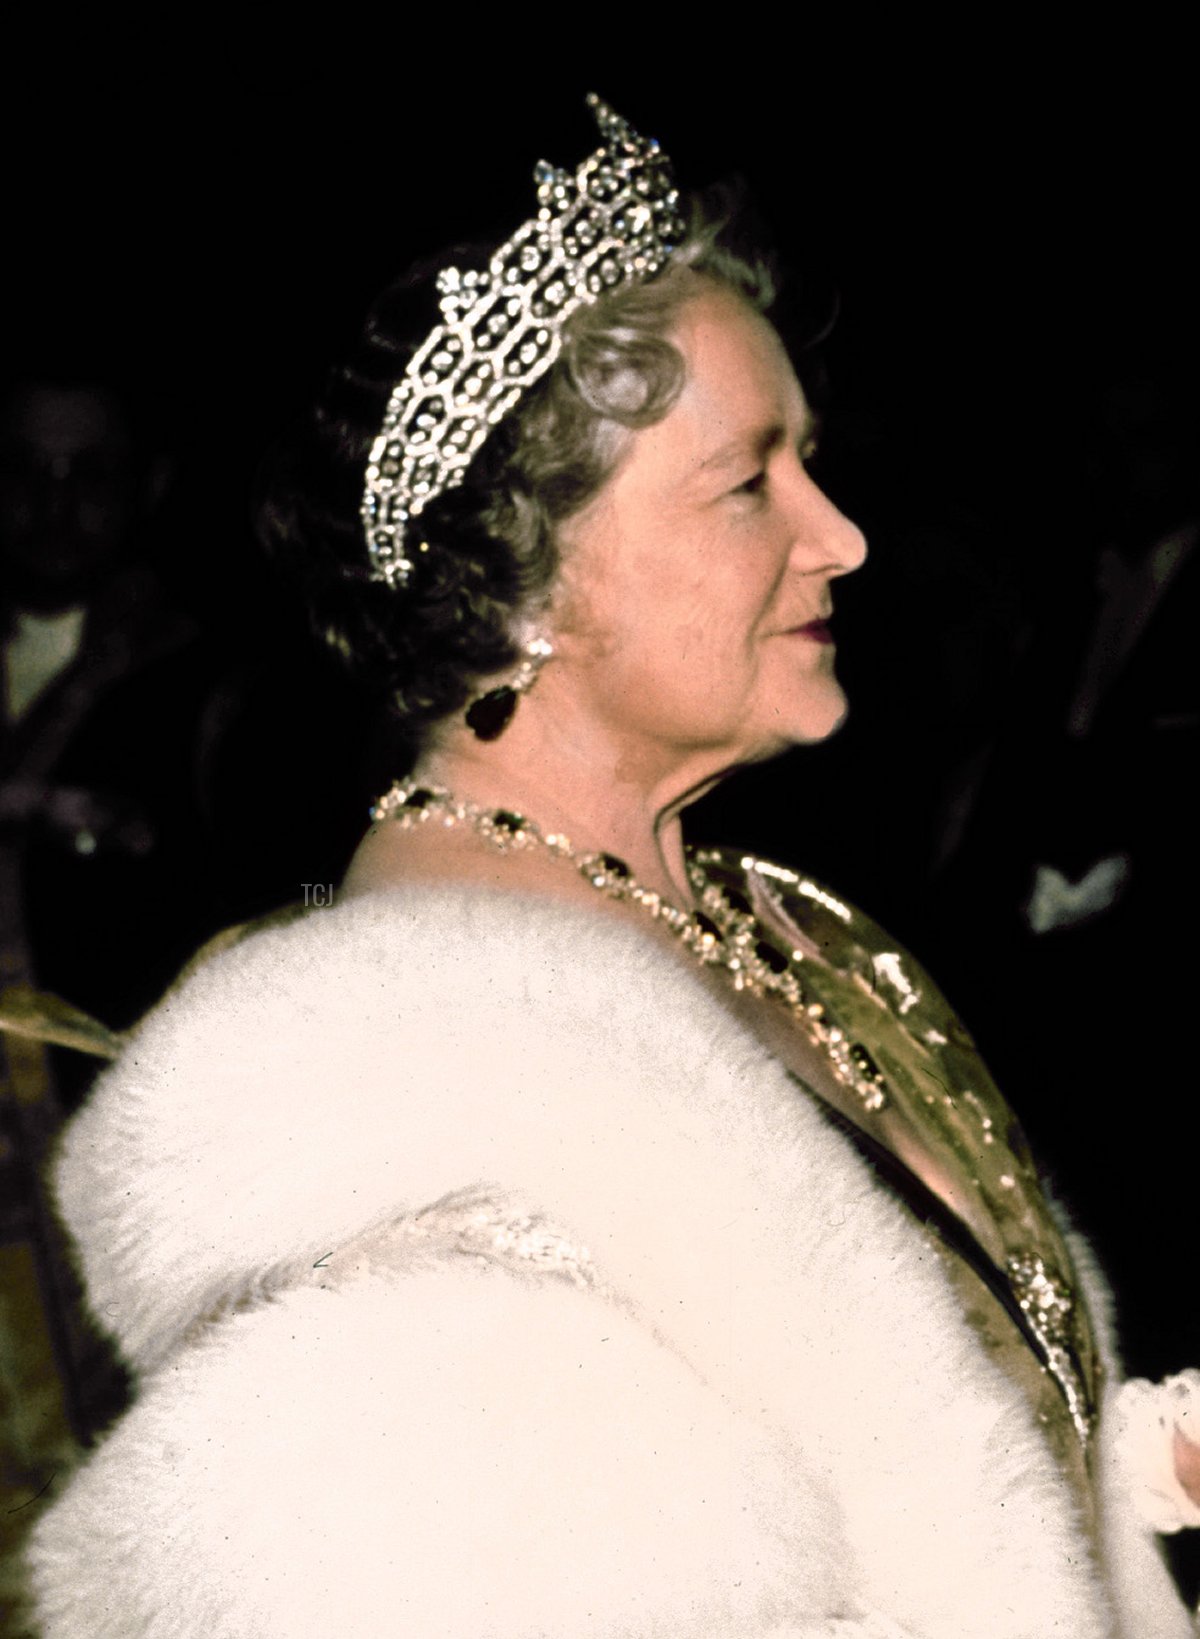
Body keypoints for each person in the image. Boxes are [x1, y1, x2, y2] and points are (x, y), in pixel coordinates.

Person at [21, 97, 1200, 1637]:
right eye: (746, 485)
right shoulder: (408, 1086)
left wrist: (1124, 1480)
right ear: (528, 582)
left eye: (815, 465)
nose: (842, 537)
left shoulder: (785, 922)